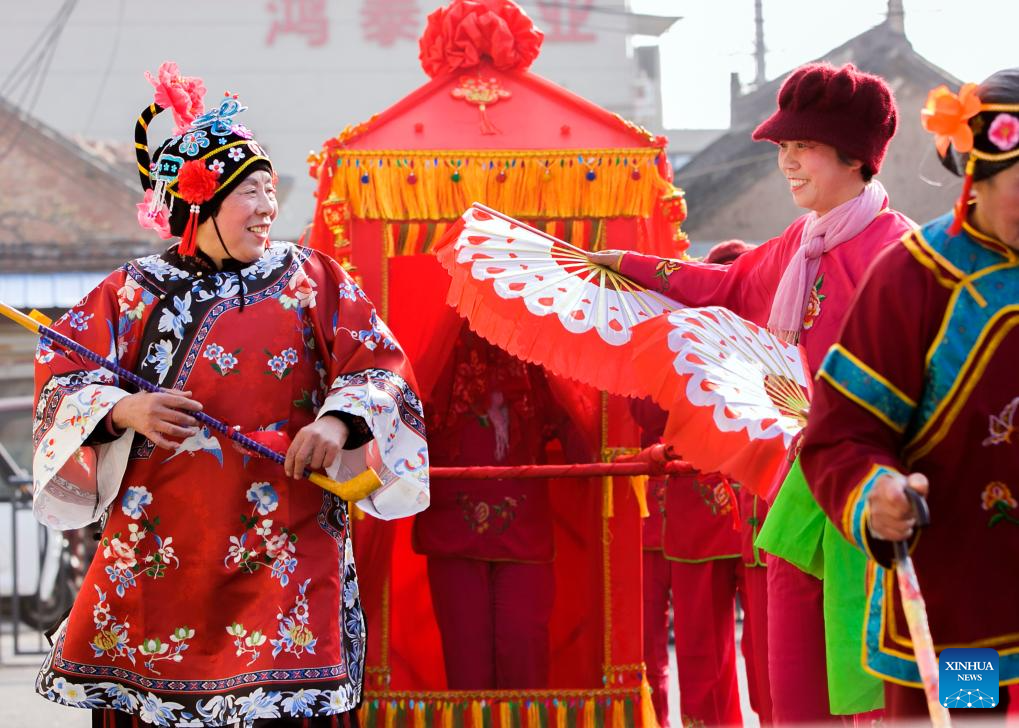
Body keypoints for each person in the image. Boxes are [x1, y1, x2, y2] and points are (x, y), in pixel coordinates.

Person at [30, 63, 429, 727]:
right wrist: (122, 408)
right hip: (164, 547)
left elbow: (381, 369)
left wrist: (334, 424)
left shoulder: (314, 280)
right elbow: (61, 376)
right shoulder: (130, 292)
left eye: (271, 190)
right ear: (197, 203)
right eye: (249, 191)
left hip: (289, 539)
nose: (269, 207)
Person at [589, 63, 912, 722]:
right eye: (782, 151)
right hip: (802, 489)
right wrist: (622, 263)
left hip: (879, 492)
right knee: (797, 689)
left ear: (854, 158)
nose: (786, 164)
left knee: (891, 685)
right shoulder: (799, 245)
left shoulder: (899, 252)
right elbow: (723, 286)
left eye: (802, 149)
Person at [800, 69, 1019, 722]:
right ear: (975, 177)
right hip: (961, 617)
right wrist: (876, 494)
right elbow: (842, 434)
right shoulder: (916, 278)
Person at [634, 240, 772, 728]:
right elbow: (645, 410)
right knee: (700, 657)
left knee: (772, 658)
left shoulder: (779, 337)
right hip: (700, 517)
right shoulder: (684, 339)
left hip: (766, 518)